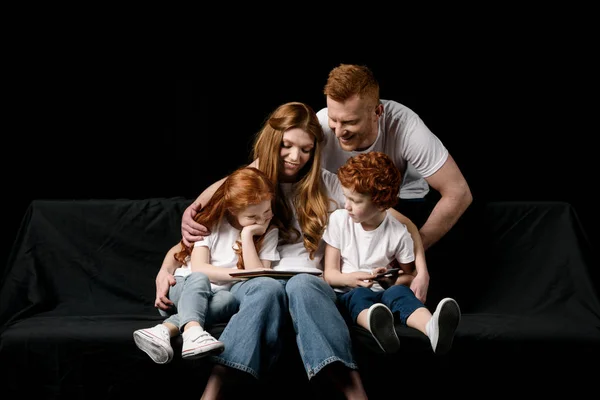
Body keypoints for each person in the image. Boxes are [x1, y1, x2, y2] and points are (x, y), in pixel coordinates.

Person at [167, 102, 426, 399]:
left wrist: (421, 266)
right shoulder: (252, 184)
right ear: (272, 142)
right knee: (265, 288)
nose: (295, 157)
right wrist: (167, 265)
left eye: (306, 149)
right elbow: (203, 228)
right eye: (286, 146)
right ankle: (214, 390)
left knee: (303, 284)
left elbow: (396, 220)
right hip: (259, 284)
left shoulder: (328, 185)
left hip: (311, 284)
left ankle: (354, 392)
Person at [317, 63, 473, 251]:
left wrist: (415, 248)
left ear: (377, 112)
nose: (339, 131)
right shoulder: (320, 127)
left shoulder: (406, 126)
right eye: (333, 119)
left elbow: (458, 192)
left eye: (350, 122)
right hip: (340, 207)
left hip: (401, 202)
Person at [134, 166, 280, 364]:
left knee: (229, 301)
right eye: (252, 217)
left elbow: (259, 276)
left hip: (213, 298)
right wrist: (241, 273)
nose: (262, 220)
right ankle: (193, 331)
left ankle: (163, 330)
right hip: (183, 288)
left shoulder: (269, 232)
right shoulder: (212, 224)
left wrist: (247, 235)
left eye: (267, 211)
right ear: (232, 209)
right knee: (200, 279)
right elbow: (200, 268)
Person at [323, 151, 461, 355]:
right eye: (346, 197)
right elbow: (330, 274)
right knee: (359, 296)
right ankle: (377, 326)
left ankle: (432, 328)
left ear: (380, 203)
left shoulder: (398, 233)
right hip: (350, 291)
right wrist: (352, 279)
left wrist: (389, 280)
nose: (347, 205)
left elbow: (408, 276)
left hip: (383, 290)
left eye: (356, 201)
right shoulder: (339, 221)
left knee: (399, 293)